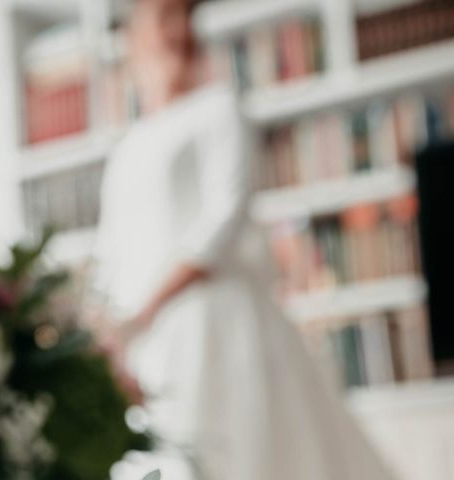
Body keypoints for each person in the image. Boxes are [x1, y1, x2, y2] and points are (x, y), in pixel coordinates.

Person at [86, 0, 400, 478]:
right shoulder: (128, 144)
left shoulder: (217, 108)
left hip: (211, 319)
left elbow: (224, 216)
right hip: (145, 337)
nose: (168, 32)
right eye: (154, 21)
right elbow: (111, 246)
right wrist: (111, 326)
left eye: (177, 19)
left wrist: (150, 307)